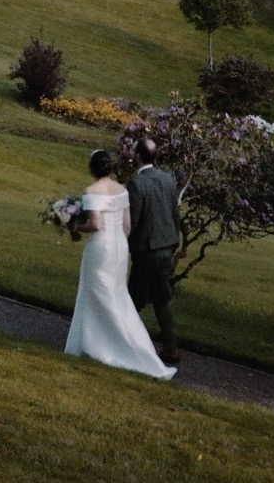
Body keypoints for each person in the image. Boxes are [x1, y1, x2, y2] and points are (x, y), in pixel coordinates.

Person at [63, 150, 177, 379]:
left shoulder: (91, 191)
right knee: (116, 294)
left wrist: (74, 226)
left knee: (96, 293)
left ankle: (100, 344)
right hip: (119, 247)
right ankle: (126, 343)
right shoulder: (122, 189)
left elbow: (95, 224)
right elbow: (127, 225)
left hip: (101, 247)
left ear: (92, 169)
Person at [125, 136, 182, 365]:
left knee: (133, 300)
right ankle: (169, 348)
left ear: (137, 156)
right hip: (166, 246)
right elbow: (174, 214)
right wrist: (173, 241)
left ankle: (125, 341)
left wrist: (122, 242)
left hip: (147, 250)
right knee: (160, 298)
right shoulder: (168, 179)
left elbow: (133, 220)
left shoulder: (136, 184)